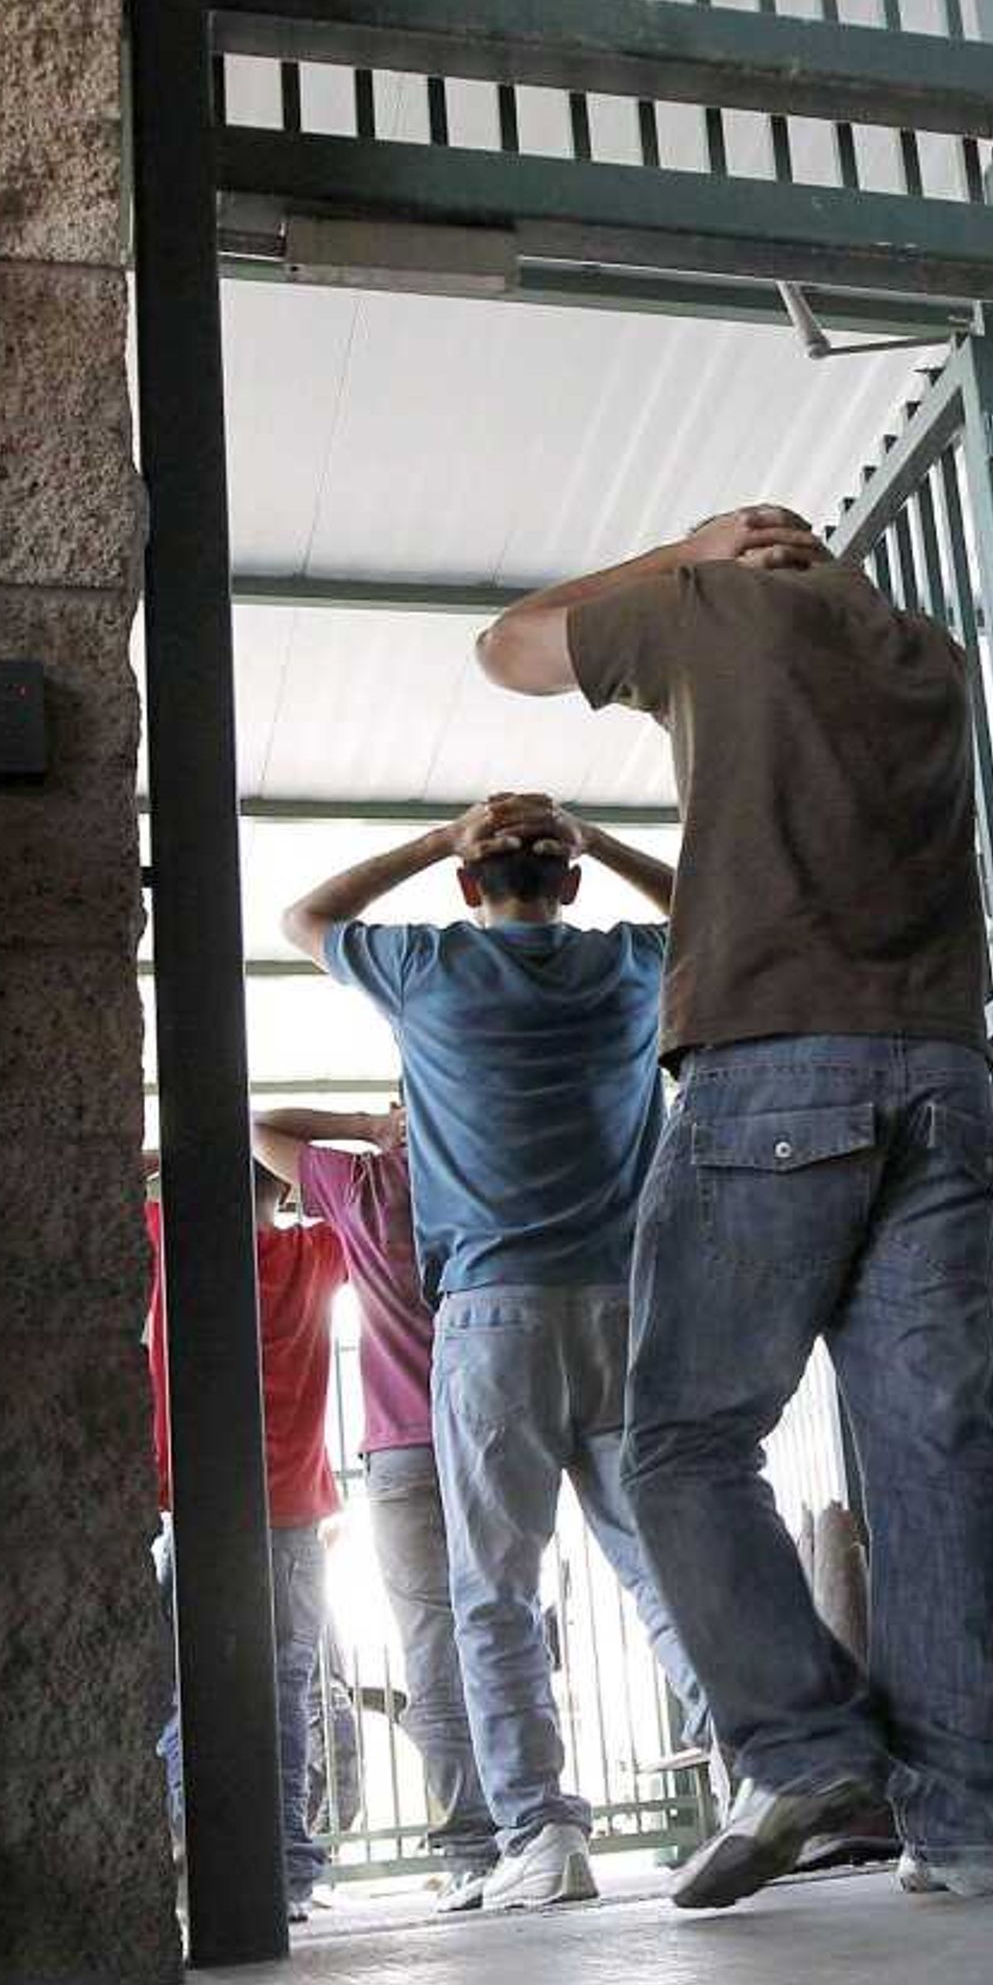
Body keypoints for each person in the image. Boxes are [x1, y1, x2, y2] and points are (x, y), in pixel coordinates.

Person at [478, 503, 993, 1912]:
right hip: (945, 1074)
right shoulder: (929, 656)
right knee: (936, 1447)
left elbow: (506, 651)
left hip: (774, 1073)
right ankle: (971, 1822)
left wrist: (685, 550)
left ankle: (803, 1744)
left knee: (677, 1439)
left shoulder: (710, 609)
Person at [287, 795, 711, 1912]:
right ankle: (762, 1775)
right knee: (663, 1567)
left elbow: (305, 917)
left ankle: (541, 1835)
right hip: (627, 1306)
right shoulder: (627, 970)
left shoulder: (427, 969)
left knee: (496, 1596)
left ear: (470, 891)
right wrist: (593, 835)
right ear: (569, 886)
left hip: (492, 1318)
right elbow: (720, 900)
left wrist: (439, 838)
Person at [253, 1101, 503, 1911]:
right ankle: (535, 1827)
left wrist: (367, 1128)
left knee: (428, 1640)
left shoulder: (366, 1189)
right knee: (505, 1617)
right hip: (494, 1428)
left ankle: (471, 1847)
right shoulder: (486, 1179)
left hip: (398, 1448)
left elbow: (258, 1125)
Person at [144, 1151, 342, 1919]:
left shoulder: (171, 1241)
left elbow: (102, 1178)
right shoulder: (315, 1254)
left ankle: (204, 1844)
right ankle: (287, 1870)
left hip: (199, 1507)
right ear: (280, 1192)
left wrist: (171, 1153)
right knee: (285, 1687)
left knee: (185, 1688)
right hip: (293, 1511)